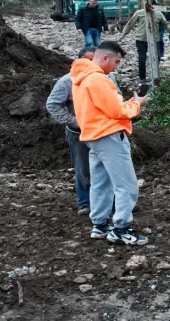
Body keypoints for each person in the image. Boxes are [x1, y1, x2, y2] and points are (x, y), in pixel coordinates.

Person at [71, 41, 149, 245]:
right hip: (109, 135)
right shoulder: (98, 79)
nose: (116, 66)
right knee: (126, 184)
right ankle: (122, 228)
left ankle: (100, 224)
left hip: (93, 136)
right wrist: (136, 104)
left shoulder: (80, 78)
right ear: (105, 58)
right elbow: (117, 111)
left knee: (101, 182)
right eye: (116, 62)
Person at [46, 46, 120, 215]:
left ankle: (114, 202)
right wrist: (74, 121)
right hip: (78, 133)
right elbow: (52, 105)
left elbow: (117, 98)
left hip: (105, 132)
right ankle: (85, 203)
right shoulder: (67, 81)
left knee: (110, 167)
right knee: (83, 168)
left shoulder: (108, 77)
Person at [121, 1, 170, 82]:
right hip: (141, 39)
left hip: (154, 40)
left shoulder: (158, 14)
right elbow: (130, 24)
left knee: (157, 57)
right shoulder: (139, 13)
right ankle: (142, 77)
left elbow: (166, 24)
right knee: (142, 58)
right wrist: (124, 34)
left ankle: (155, 76)